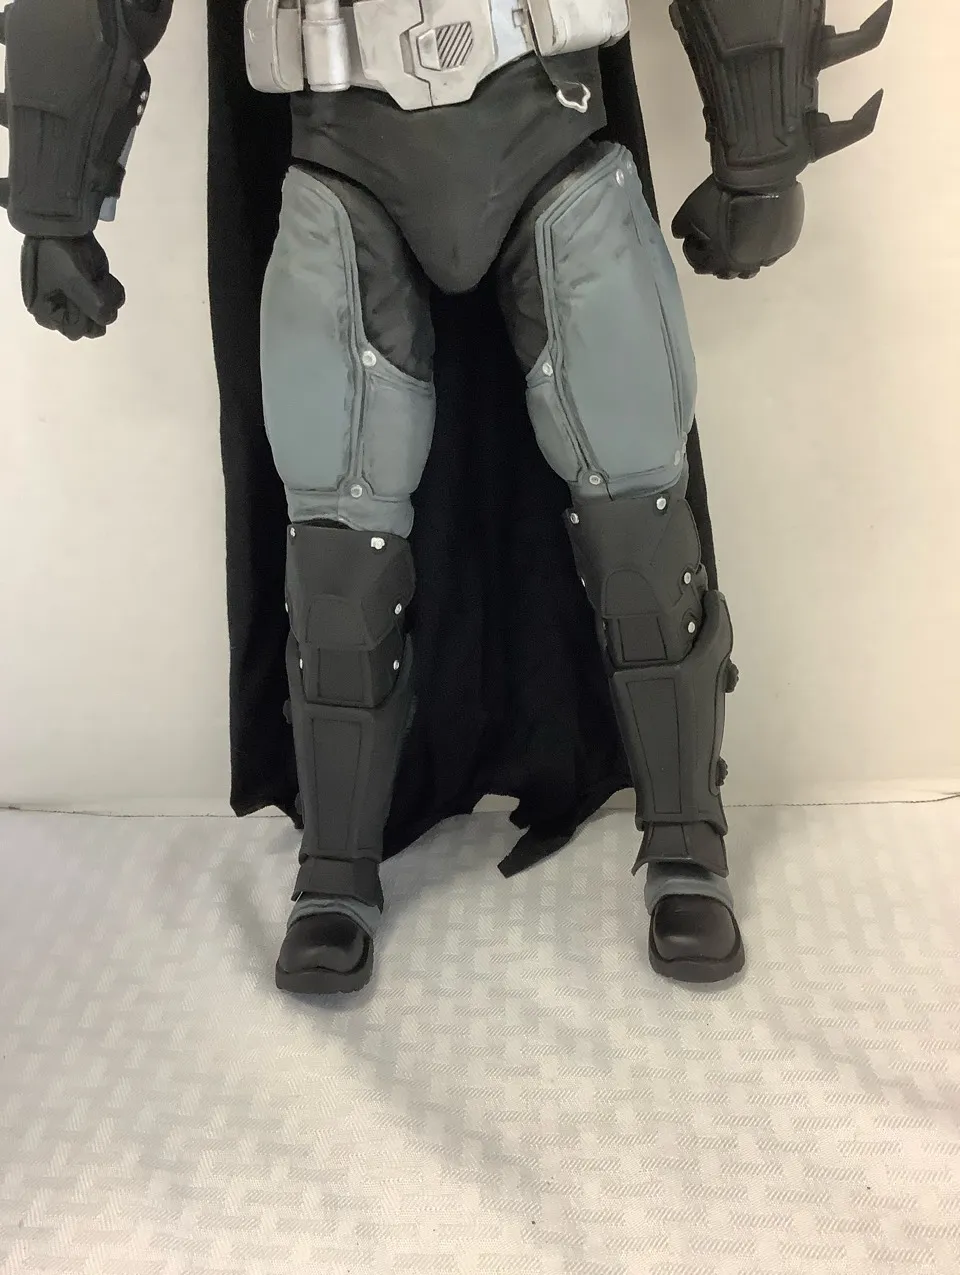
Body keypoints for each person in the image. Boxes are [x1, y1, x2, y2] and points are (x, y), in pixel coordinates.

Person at [1, 0, 891, 994]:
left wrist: (759, 154)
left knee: (635, 488)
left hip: (548, 119)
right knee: (339, 526)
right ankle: (336, 866)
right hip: (340, 139)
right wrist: (54, 197)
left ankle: (686, 839)